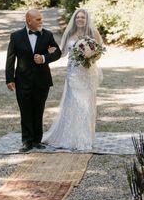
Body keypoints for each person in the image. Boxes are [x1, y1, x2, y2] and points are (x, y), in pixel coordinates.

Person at [42, 8, 103, 151]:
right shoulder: (69, 33)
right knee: (73, 104)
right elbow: (62, 52)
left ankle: (85, 138)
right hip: (73, 74)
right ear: (74, 20)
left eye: (83, 17)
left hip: (87, 74)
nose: (80, 19)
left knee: (86, 106)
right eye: (77, 17)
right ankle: (70, 137)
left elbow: (99, 52)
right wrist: (47, 54)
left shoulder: (93, 33)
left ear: (87, 19)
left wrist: (90, 57)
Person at [5, 9, 61, 152]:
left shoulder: (47, 35)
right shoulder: (16, 36)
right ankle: (26, 141)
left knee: (38, 110)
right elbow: (10, 59)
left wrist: (44, 58)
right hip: (22, 81)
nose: (41, 22)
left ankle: (37, 141)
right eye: (38, 20)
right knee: (25, 111)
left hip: (42, 81)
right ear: (28, 20)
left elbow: (57, 52)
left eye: (41, 19)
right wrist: (9, 79)